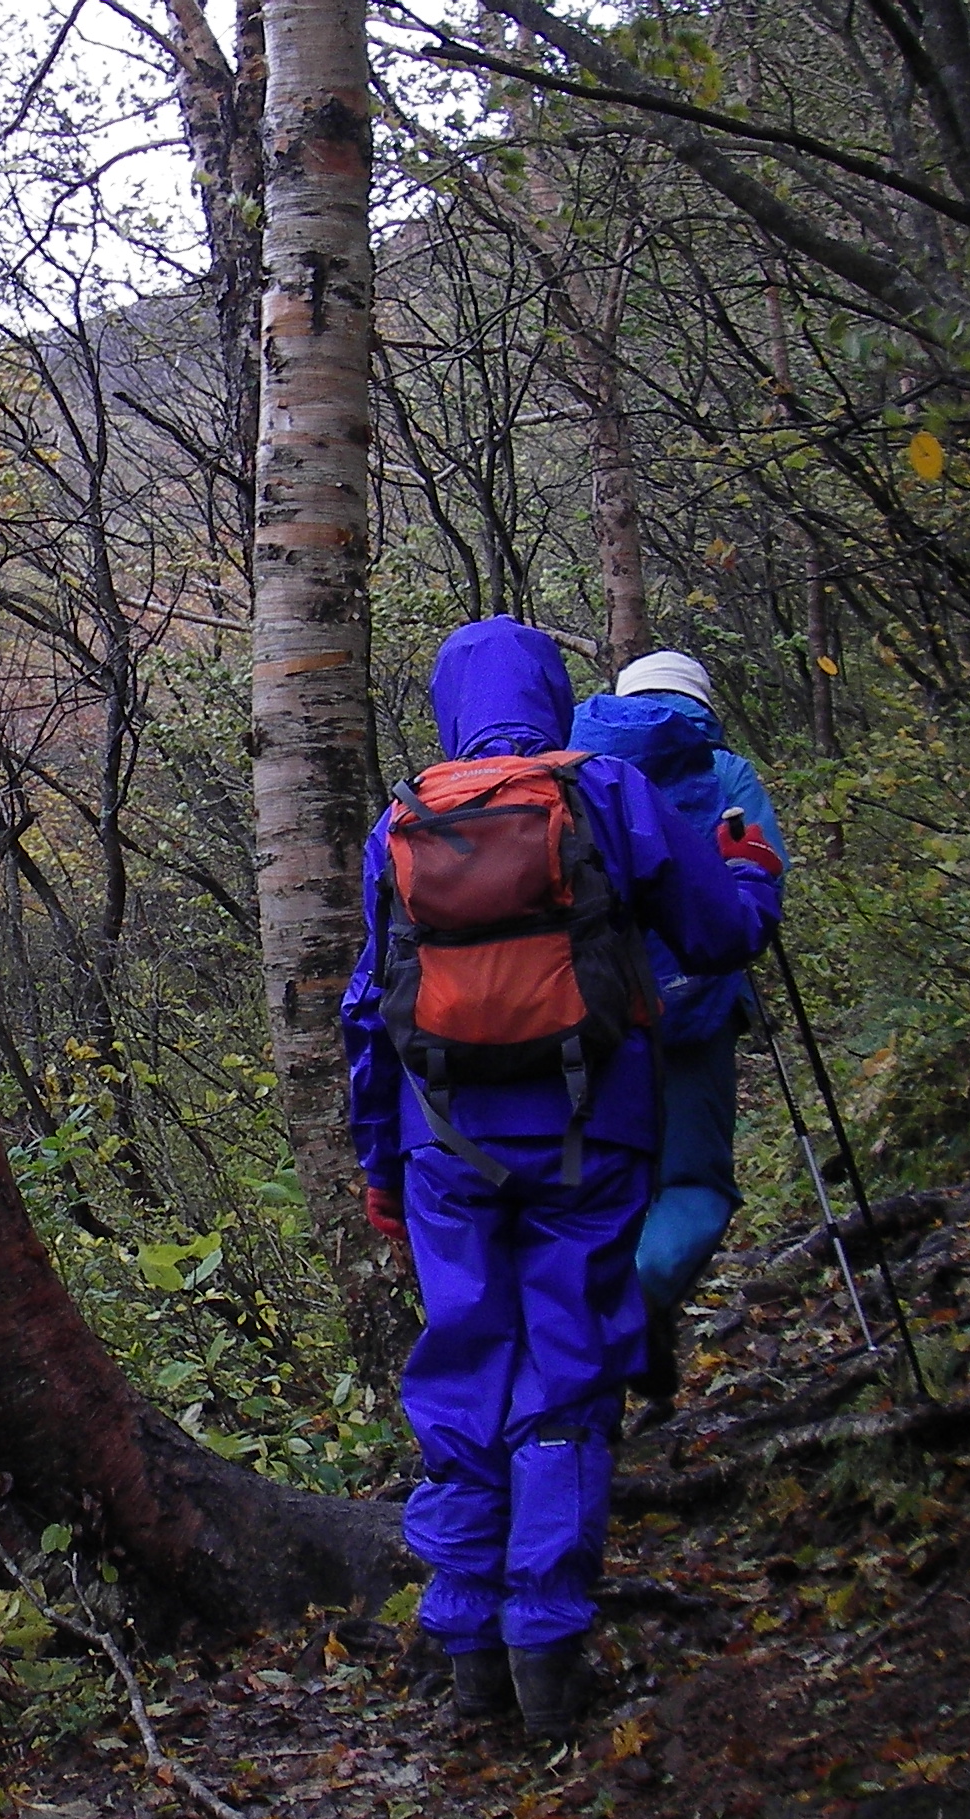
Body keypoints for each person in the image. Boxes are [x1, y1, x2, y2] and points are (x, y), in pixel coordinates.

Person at [341, 618, 784, 1742]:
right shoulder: (606, 791)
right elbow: (719, 937)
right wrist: (749, 869)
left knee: (462, 1373)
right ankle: (545, 1651)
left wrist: (382, 1167)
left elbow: (368, 1013)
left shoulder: (404, 818)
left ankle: (465, 1645)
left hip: (444, 1148)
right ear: (552, 695)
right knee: (566, 1371)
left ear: (448, 705)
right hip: (592, 1134)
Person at [568, 651, 789, 1405]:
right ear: (702, 702)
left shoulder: (574, 770)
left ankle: (609, 1335)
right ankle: (630, 1311)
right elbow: (761, 878)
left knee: (614, 1186)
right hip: (696, 1010)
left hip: (594, 1014)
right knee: (694, 1186)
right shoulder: (723, 772)